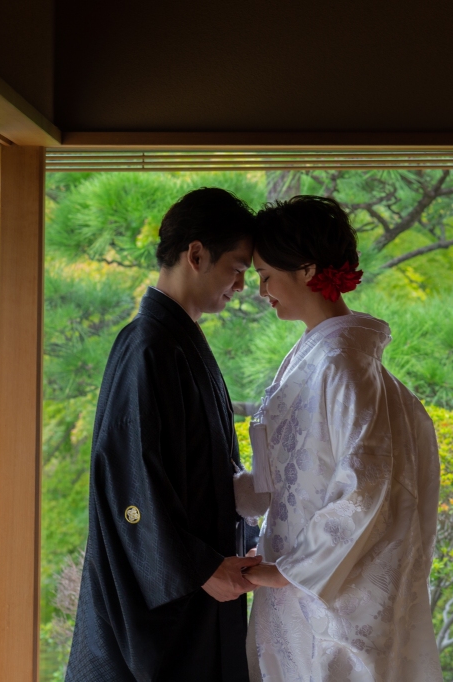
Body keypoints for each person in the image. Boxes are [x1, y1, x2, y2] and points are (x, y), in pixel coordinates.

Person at [234, 196, 444, 682]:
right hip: (297, 577)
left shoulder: (344, 364)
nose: (261, 290)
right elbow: (283, 479)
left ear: (307, 271)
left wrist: (287, 570)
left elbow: (367, 486)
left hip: (325, 591)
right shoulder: (323, 356)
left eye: (266, 275)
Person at [66, 188, 263, 681]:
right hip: (165, 600)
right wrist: (198, 568)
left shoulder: (177, 339)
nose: (242, 286)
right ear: (196, 255)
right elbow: (129, 487)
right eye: (237, 269)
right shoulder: (149, 346)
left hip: (196, 586)